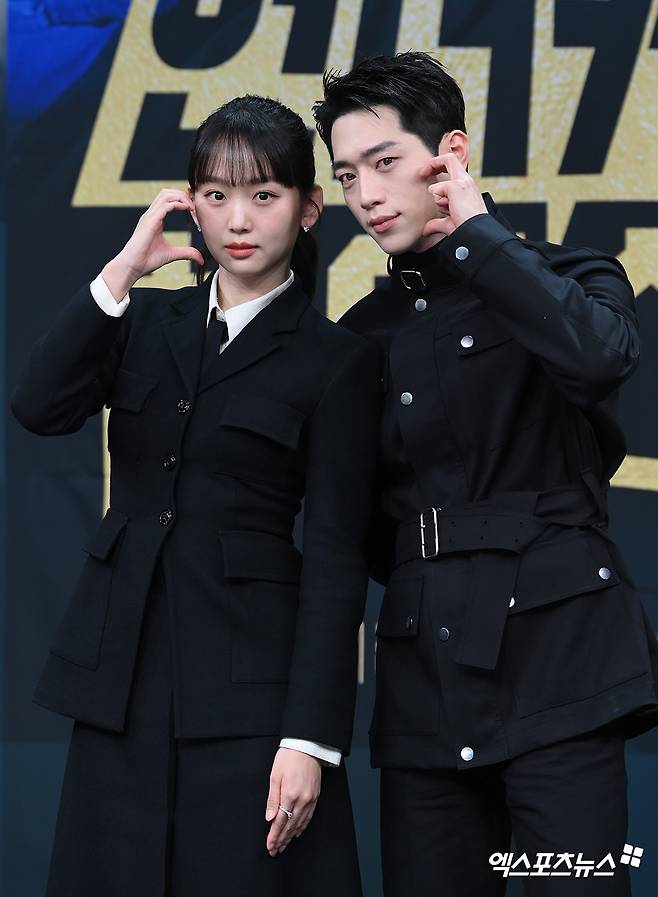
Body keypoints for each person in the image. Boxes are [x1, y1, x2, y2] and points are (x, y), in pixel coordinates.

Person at [12, 94, 380, 897]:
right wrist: (122, 271)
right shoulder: (141, 321)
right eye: (216, 194)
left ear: (309, 208)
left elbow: (335, 560)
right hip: (120, 680)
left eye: (264, 194)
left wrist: (310, 739)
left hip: (251, 696)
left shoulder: (336, 361)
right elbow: (38, 405)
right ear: (190, 204)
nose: (238, 219)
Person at [313, 52, 658, 896]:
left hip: (563, 671)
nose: (366, 194)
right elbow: (354, 526)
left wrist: (476, 235)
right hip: (424, 686)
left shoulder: (572, 274)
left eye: (384, 162)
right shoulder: (360, 334)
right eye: (348, 175)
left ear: (451, 154)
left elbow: (600, 357)